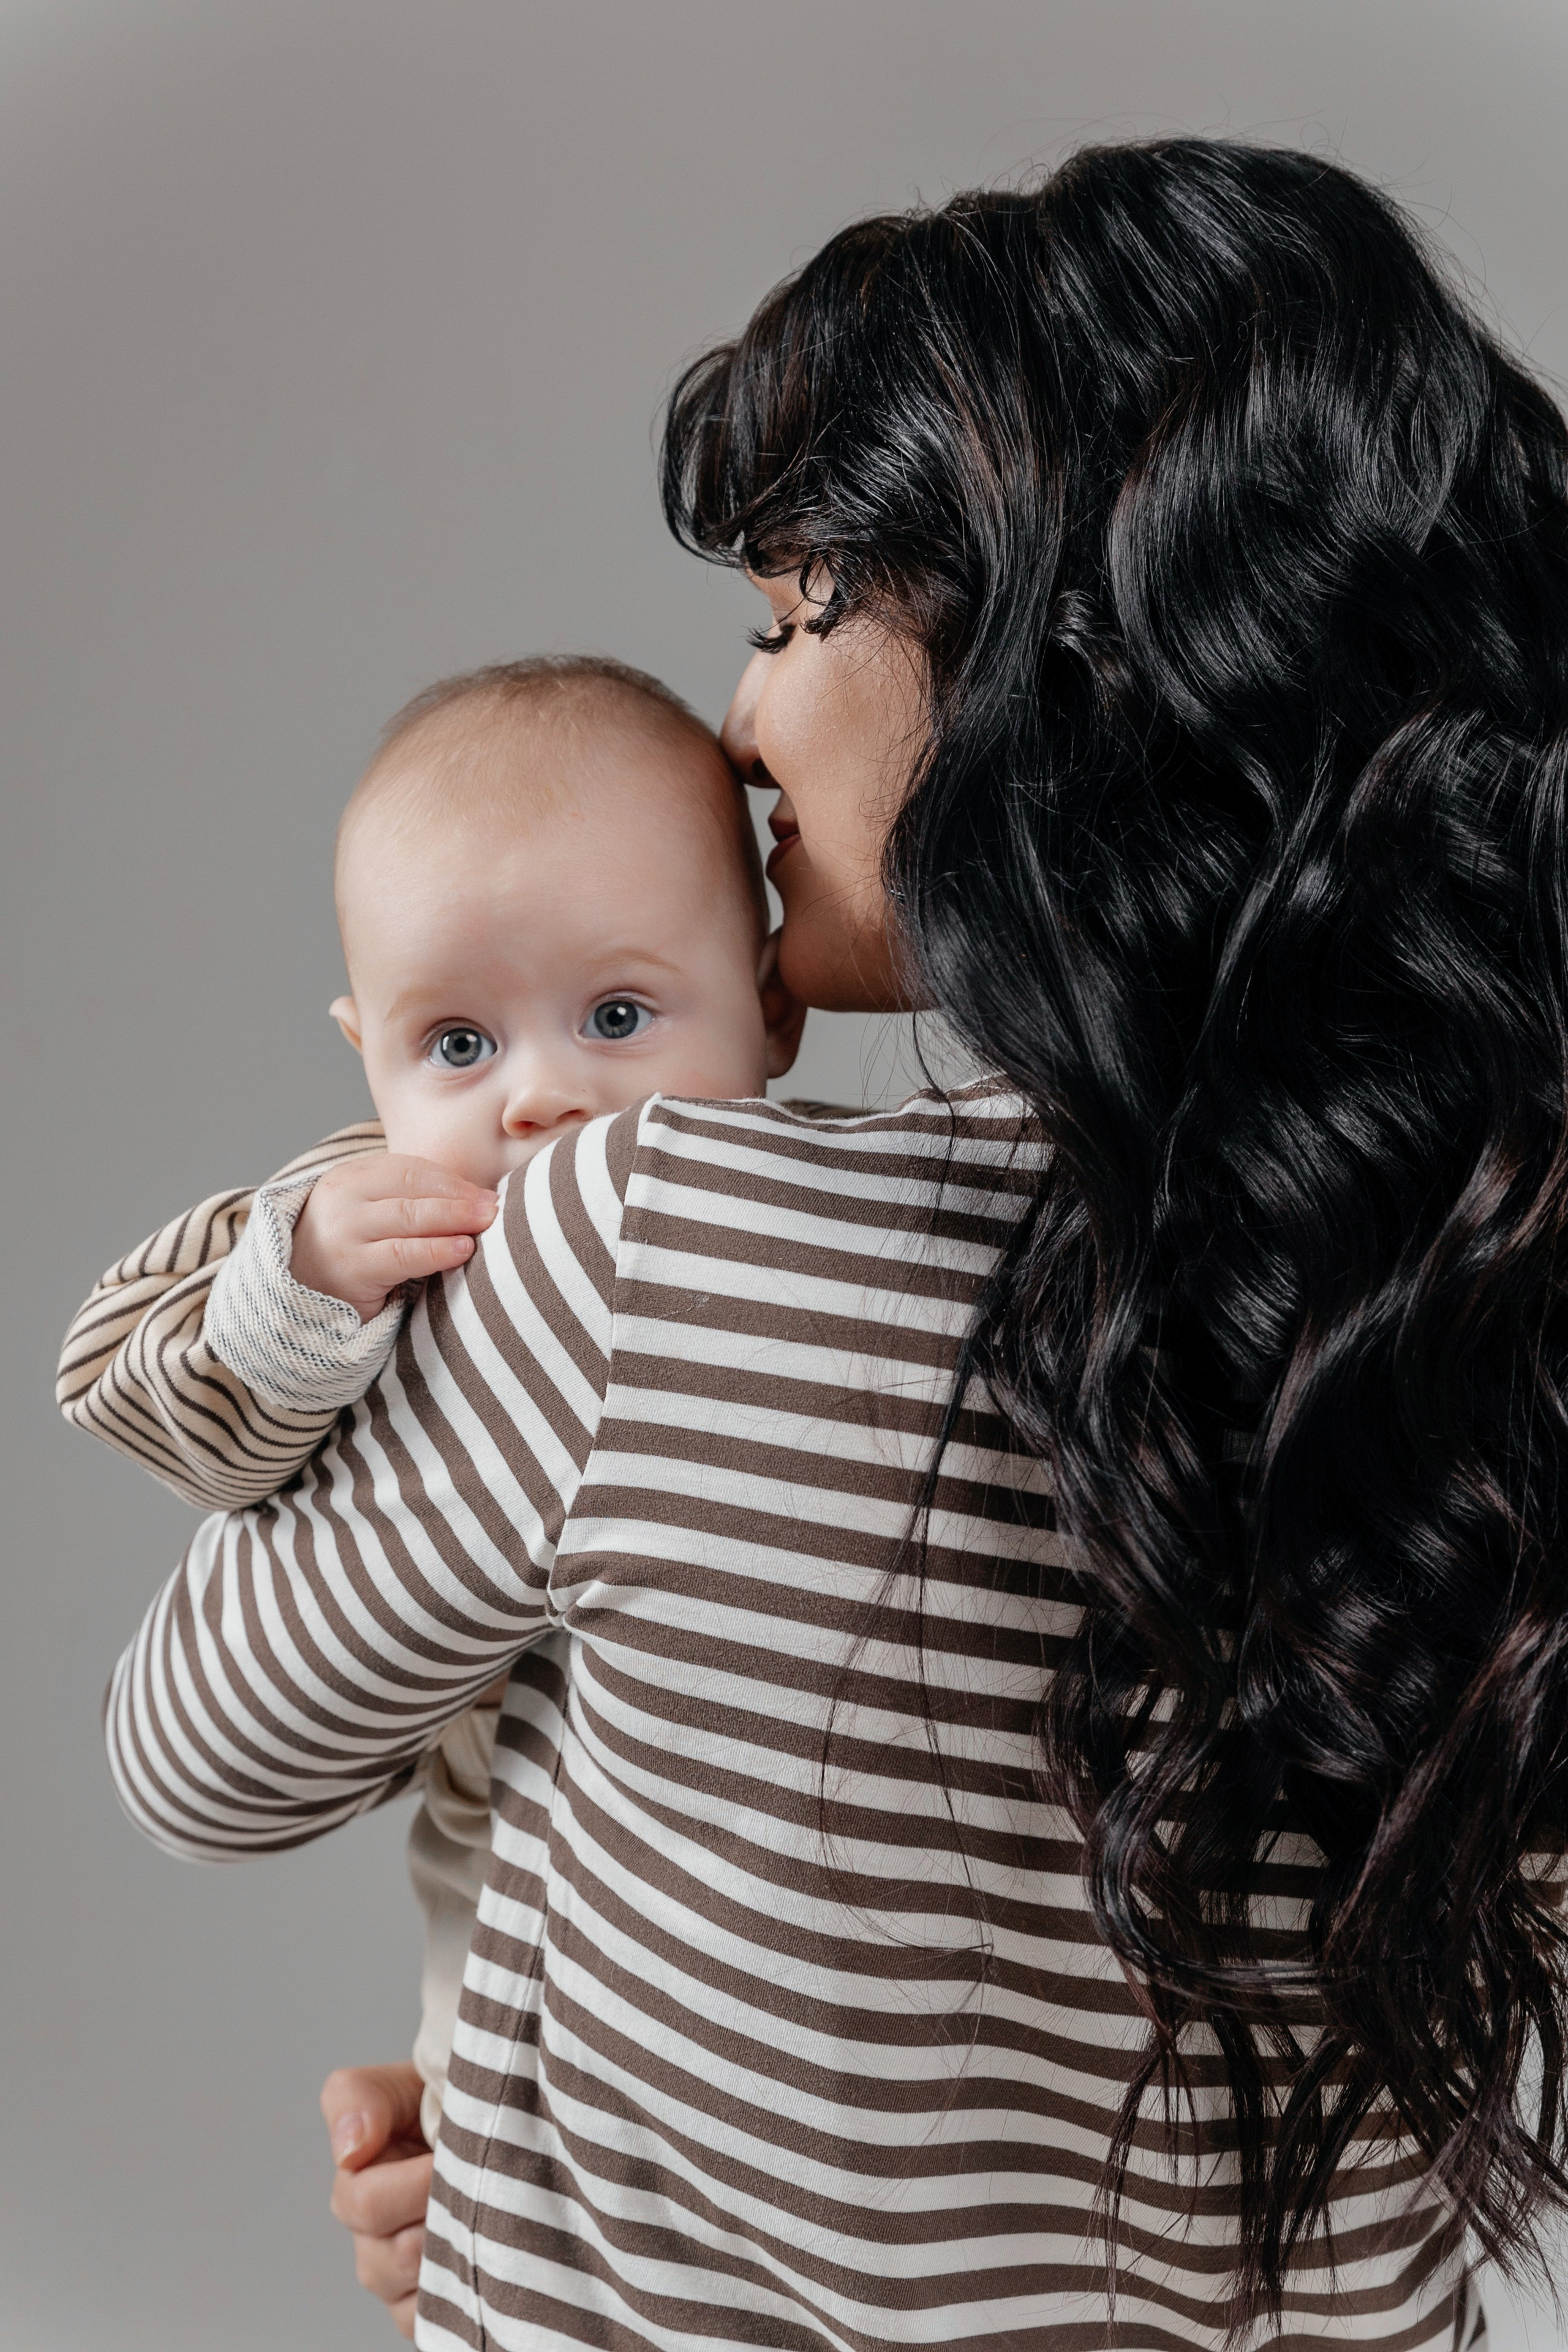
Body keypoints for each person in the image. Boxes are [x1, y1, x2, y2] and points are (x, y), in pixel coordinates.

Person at [94, 134, 1568, 2348]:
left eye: (799, 615)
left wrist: (534, 2139)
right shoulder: (1493, 1333)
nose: (744, 718)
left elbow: (196, 1757)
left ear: (1063, 657)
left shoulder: (641, 1253)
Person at [59, 649, 809, 2161]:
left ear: (769, 1007)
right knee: (503, 2061)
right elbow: (120, 1375)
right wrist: (306, 1289)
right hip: (500, 1785)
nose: (534, 1098)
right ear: (368, 1054)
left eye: (616, 1015)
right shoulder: (372, 1217)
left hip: (747, 1848)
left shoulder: (794, 1225)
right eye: (456, 1045)